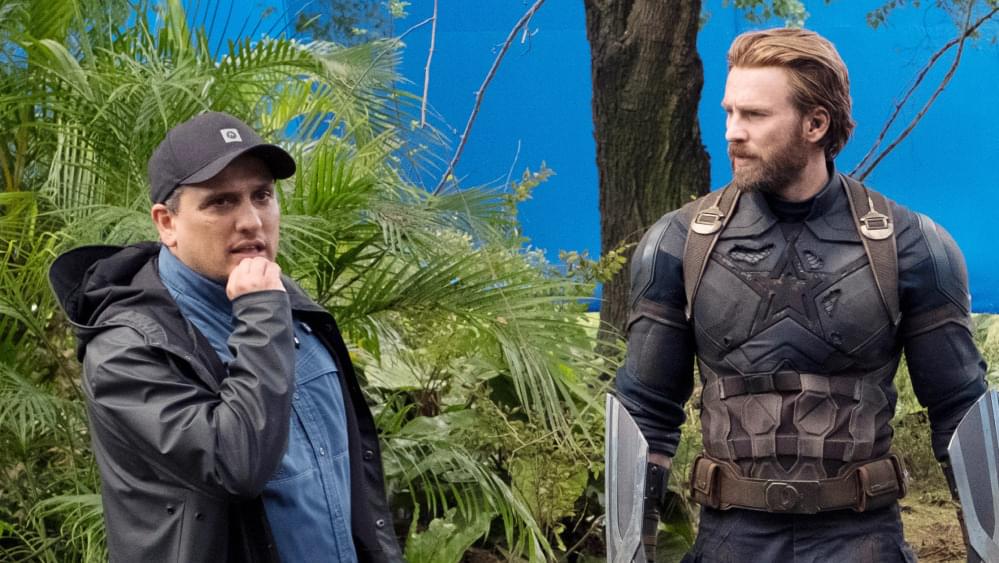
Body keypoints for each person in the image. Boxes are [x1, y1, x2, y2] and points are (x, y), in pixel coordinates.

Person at [613, 28, 987, 562]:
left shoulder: (912, 246)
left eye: (754, 115)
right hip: (729, 544)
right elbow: (644, 413)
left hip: (862, 543)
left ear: (816, 124)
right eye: (729, 112)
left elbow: (962, 411)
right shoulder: (677, 244)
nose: (732, 132)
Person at [50, 112, 402, 562]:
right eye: (221, 202)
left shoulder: (285, 301)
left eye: (262, 196)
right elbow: (237, 465)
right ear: (166, 223)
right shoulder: (126, 350)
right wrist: (261, 315)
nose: (252, 221)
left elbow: (345, 471)